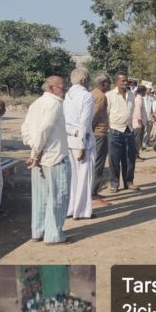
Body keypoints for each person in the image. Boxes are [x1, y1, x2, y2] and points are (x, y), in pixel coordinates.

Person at [21, 76, 71, 244]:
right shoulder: (54, 103)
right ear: (52, 88)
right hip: (54, 157)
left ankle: (39, 231)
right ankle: (53, 235)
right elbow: (44, 130)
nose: (64, 91)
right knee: (58, 196)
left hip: (41, 156)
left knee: (41, 197)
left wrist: (34, 150)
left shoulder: (37, 103)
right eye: (62, 88)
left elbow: (26, 129)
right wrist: (36, 153)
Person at [64, 69, 95, 220]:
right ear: (83, 80)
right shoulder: (86, 96)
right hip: (83, 142)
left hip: (70, 139)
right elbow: (85, 123)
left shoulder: (67, 96)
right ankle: (82, 210)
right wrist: (82, 145)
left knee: (73, 178)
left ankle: (71, 208)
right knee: (84, 177)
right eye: (88, 79)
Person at [105, 72, 136, 193]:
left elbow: (131, 111)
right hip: (115, 130)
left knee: (129, 158)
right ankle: (114, 183)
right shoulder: (109, 95)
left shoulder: (131, 95)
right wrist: (109, 129)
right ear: (116, 82)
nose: (125, 83)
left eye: (126, 80)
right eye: (122, 81)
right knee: (114, 159)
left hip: (129, 130)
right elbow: (106, 113)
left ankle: (129, 182)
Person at [91, 75, 110, 199]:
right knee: (98, 163)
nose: (110, 85)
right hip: (99, 133)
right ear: (103, 83)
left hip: (95, 133)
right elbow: (94, 115)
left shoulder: (92, 93)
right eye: (109, 83)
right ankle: (93, 191)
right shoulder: (101, 96)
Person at [132, 85, 149, 161]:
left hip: (141, 122)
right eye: (145, 91)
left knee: (139, 140)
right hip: (138, 124)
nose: (146, 93)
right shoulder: (138, 99)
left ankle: (137, 155)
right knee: (137, 140)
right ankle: (135, 156)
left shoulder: (140, 99)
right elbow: (137, 111)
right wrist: (139, 122)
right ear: (142, 91)